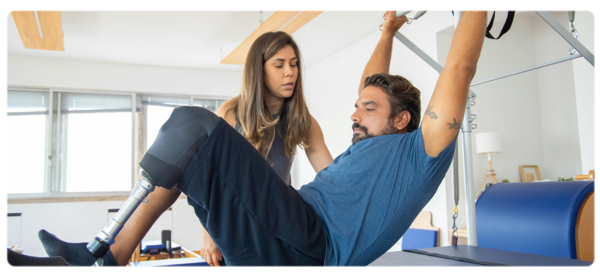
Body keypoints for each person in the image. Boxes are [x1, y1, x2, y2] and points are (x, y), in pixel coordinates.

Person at [22, 8, 487, 269]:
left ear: (404, 120)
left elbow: (459, 69)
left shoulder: (419, 151)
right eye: (357, 104)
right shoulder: (366, 146)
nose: (354, 113)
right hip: (281, 241)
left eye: (367, 109)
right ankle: (100, 258)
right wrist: (386, 29)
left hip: (310, 244)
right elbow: (375, 80)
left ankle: (104, 256)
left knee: (194, 125)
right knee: (192, 145)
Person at [37, 31, 333, 269]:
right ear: (260, 70)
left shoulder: (303, 122)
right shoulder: (232, 112)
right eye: (279, 65)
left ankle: (106, 252)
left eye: (293, 64)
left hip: (277, 220)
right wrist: (209, 234)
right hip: (234, 215)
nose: (290, 72)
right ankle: (106, 251)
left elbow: (331, 178)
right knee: (186, 156)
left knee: (192, 137)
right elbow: (211, 183)